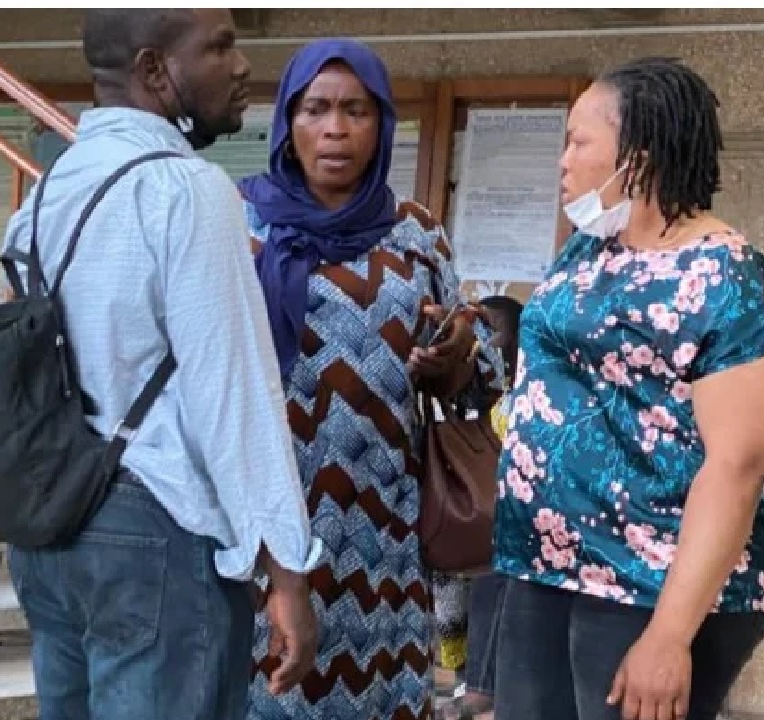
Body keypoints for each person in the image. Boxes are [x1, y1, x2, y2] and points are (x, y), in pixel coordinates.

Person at [1, 10, 321, 720]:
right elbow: (234, 391)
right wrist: (288, 571)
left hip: (50, 521)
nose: (241, 67)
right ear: (153, 71)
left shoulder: (47, 189)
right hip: (154, 530)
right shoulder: (188, 190)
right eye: (219, 47)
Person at [491, 56, 764, 720]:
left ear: (639, 156)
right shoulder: (588, 250)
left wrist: (669, 635)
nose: (563, 160)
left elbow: (739, 467)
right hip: (548, 565)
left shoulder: (732, 279)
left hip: (646, 584)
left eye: (579, 141)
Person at [237, 39, 503, 720]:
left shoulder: (415, 234)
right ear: (286, 121)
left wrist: (456, 356)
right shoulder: (241, 224)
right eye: (316, 109)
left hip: (381, 532)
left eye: (356, 110)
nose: (335, 129)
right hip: (263, 524)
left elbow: (479, 381)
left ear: (383, 124)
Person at [442, 295, 524, 720]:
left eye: (492, 329)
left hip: (513, 523)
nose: (485, 339)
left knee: (494, 576)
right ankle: (469, 679)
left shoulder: (523, 390)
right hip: (483, 512)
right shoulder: (490, 389)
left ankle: (480, 685)